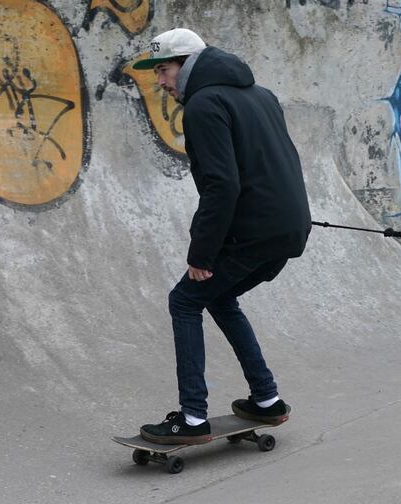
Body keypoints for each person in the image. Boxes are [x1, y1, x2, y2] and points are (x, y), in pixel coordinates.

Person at [131, 28, 311, 444]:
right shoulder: (262, 95)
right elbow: (280, 164)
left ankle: (192, 417)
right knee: (218, 296)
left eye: (164, 70)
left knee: (186, 299)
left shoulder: (203, 105)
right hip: (287, 229)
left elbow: (221, 186)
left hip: (254, 233)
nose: (161, 81)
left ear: (187, 65)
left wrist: (202, 255)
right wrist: (287, 217)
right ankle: (266, 399)